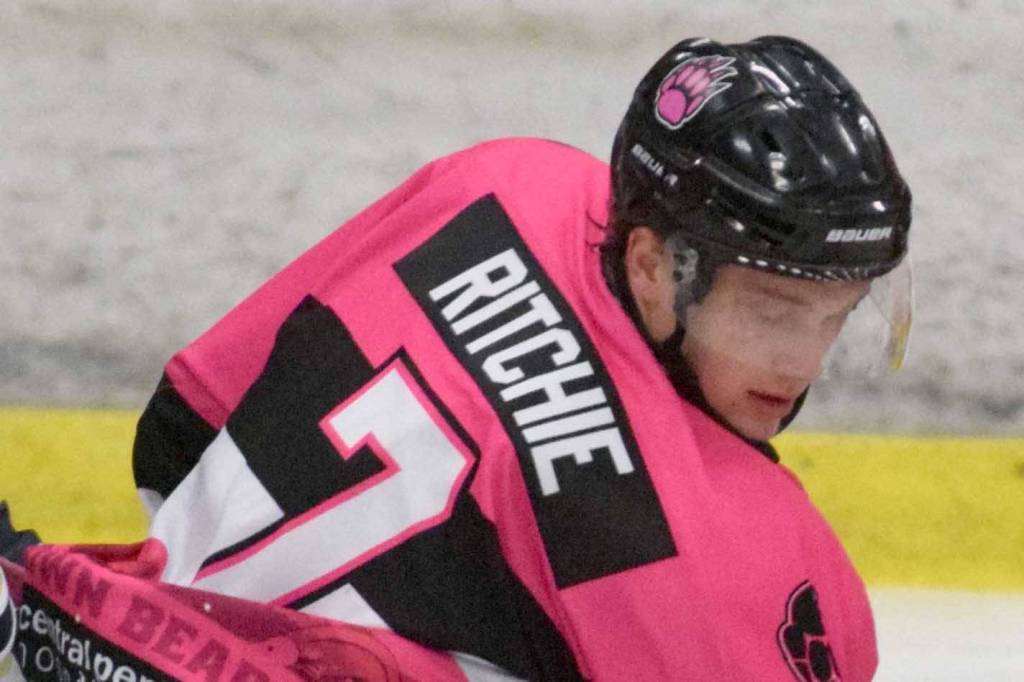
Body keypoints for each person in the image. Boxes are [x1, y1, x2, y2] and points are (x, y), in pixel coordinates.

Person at [9, 35, 913, 680]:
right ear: (651, 265)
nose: (804, 363)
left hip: (93, 640)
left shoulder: (506, 184)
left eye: (837, 315)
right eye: (772, 310)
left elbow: (180, 429)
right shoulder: (735, 558)